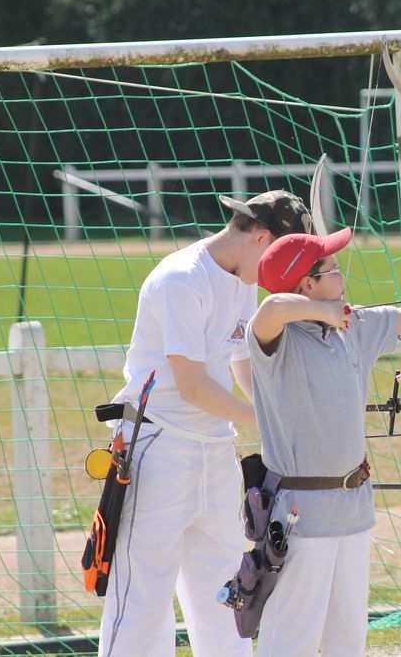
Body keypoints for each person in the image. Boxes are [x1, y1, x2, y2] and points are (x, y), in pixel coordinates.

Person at [245, 228, 401, 656]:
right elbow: (272, 306)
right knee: (291, 636)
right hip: (301, 517)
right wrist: (326, 314)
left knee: (348, 637)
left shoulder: (355, 326)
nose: (342, 277)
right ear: (307, 284)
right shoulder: (279, 342)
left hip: (354, 508)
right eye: (333, 269)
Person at [97, 190, 313, 657]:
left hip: (215, 448)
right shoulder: (181, 279)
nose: (283, 275)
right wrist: (269, 424)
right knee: (143, 596)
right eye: (280, 257)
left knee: (228, 589)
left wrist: (278, 412)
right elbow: (192, 385)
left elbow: (241, 362)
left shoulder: (243, 278)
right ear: (260, 238)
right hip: (158, 446)